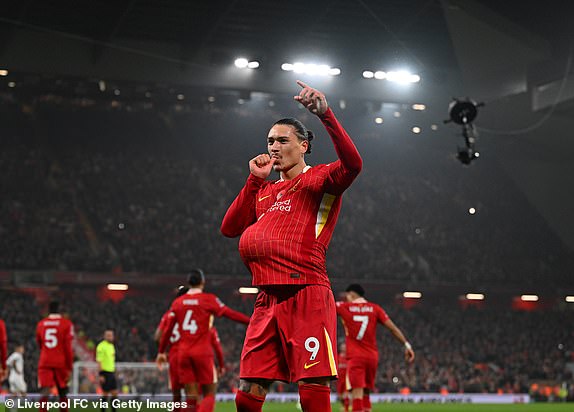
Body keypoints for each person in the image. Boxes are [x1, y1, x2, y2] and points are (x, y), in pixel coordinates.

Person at [221, 80, 363, 412]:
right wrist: (254, 180)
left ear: (304, 146)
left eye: (283, 140)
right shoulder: (265, 190)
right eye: (270, 141)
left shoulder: (321, 179)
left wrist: (326, 115)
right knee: (249, 386)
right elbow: (229, 228)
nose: (273, 147)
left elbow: (354, 164)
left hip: (306, 292)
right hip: (266, 297)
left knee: (312, 382)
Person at [156, 269, 250, 412]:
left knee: (191, 397)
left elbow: (168, 330)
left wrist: (161, 351)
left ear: (189, 283)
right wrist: (251, 321)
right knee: (209, 394)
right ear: (203, 282)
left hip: (183, 354)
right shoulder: (208, 299)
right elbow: (230, 314)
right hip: (202, 352)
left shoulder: (177, 303)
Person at [336, 284, 415, 412]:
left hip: (355, 357)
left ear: (352, 294)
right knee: (366, 392)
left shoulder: (345, 307)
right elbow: (393, 328)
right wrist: (407, 345)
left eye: (347, 296)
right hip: (372, 357)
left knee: (357, 393)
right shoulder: (375, 308)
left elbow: (325, 305)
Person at [36, 301, 74, 412]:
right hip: (60, 362)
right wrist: (69, 367)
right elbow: (68, 347)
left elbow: (40, 343)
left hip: (45, 361)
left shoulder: (41, 324)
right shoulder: (66, 324)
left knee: (45, 392)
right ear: (60, 310)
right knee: (62, 392)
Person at [155, 285, 190, 405]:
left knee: (176, 394)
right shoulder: (193, 313)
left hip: (174, 356)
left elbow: (157, 337)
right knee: (192, 393)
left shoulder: (168, 314)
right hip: (189, 355)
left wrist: (163, 351)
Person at [96, 329, 118, 412]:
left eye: (111, 335)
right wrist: (101, 374)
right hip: (105, 373)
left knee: (115, 393)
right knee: (105, 394)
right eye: (108, 335)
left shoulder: (111, 346)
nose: (110, 337)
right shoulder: (101, 346)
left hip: (111, 372)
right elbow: (99, 361)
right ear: (104, 336)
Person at [336, 343, 349, 412]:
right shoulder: (338, 357)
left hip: (346, 379)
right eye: (342, 347)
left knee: (346, 394)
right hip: (339, 379)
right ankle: (344, 406)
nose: (344, 348)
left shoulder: (348, 357)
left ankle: (346, 409)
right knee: (340, 395)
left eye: (345, 347)